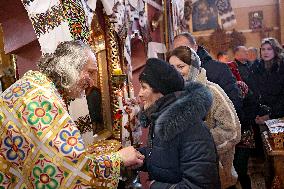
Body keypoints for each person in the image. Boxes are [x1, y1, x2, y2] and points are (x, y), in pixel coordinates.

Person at [0, 41, 144, 188]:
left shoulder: (34, 86)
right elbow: (68, 170)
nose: (93, 82)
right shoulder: (41, 100)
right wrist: (118, 159)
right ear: (69, 67)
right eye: (90, 72)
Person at [137, 58, 220, 189]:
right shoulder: (161, 118)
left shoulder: (190, 128)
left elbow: (200, 185)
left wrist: (155, 186)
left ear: (160, 90)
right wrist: (140, 157)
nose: (139, 94)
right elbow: (166, 158)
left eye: (144, 87)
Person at [167, 46, 241, 189]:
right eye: (172, 68)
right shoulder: (171, 97)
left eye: (181, 66)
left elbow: (232, 131)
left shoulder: (212, 92)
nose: (176, 72)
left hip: (215, 176)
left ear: (194, 67)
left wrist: (199, 148)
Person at [173, 32, 243, 115]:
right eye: (176, 50)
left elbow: (234, 103)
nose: (179, 54)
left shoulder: (219, 69)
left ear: (195, 48)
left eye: (184, 48)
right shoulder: (174, 74)